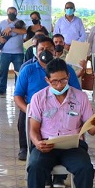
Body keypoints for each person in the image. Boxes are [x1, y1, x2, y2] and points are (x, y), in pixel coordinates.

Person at [26, 58, 95, 188]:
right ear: (47, 81)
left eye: (63, 80)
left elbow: (90, 130)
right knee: (35, 167)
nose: (59, 84)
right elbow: (33, 130)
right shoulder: (39, 98)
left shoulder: (80, 97)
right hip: (47, 145)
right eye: (54, 81)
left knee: (86, 168)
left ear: (68, 77)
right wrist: (38, 143)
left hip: (72, 146)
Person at [14, 36, 82, 172]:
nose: (45, 52)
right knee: (25, 116)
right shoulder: (28, 69)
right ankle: (26, 147)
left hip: (61, 108)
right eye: (41, 49)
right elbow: (17, 96)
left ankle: (61, 172)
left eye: (49, 49)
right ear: (35, 51)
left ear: (55, 51)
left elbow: (77, 95)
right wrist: (29, 110)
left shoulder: (67, 70)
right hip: (35, 109)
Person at [0, 7, 27, 97]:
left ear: (16, 13)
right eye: (10, 12)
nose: (11, 14)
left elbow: (24, 31)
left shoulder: (20, 23)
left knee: (18, 72)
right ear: (7, 13)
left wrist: (11, 29)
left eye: (13, 12)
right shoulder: (2, 23)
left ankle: (18, 90)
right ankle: (1, 89)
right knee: (3, 71)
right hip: (4, 52)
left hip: (18, 53)